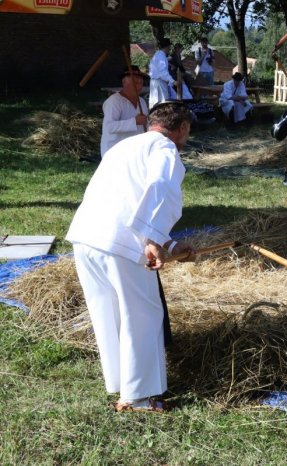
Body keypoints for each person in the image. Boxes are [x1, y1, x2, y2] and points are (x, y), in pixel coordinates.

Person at [66, 102, 197, 413]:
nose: (187, 136)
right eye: (187, 130)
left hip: (87, 237)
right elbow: (160, 188)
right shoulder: (165, 148)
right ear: (180, 129)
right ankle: (139, 396)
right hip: (120, 243)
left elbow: (129, 198)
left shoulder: (125, 147)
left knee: (107, 313)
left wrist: (170, 243)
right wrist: (153, 240)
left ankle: (121, 383)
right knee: (142, 315)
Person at [100, 66, 148, 158]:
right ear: (124, 82)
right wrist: (135, 121)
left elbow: (145, 124)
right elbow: (109, 127)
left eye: (141, 83)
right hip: (115, 151)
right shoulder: (113, 101)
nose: (138, 86)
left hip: (135, 151)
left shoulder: (142, 101)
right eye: (134, 82)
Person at [149, 38, 175, 109]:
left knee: (158, 103)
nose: (170, 48)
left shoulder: (159, 54)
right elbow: (163, 72)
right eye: (169, 46)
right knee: (160, 104)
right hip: (159, 83)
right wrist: (173, 81)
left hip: (157, 82)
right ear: (168, 46)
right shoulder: (161, 55)